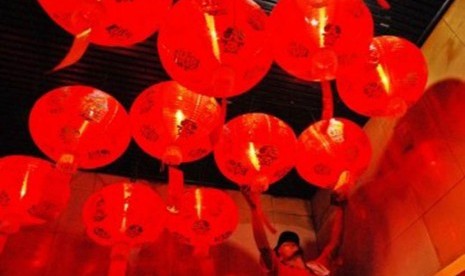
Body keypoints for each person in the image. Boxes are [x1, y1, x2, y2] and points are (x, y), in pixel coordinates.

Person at [241, 171, 352, 276]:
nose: (291, 244)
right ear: (279, 257)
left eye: (292, 242)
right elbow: (264, 248)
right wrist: (254, 209)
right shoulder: (279, 270)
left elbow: (335, 244)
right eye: (285, 244)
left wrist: (340, 207)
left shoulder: (318, 268)